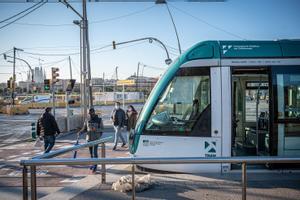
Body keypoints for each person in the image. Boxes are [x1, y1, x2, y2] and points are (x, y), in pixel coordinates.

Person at [79, 108, 104, 173]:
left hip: (96, 139)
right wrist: (80, 132)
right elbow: (85, 128)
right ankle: (93, 164)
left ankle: (95, 167)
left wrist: (96, 130)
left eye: (91, 113)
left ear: (94, 112)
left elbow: (102, 129)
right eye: (89, 113)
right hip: (89, 139)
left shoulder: (99, 119)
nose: (90, 114)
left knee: (95, 153)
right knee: (91, 153)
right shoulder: (87, 119)